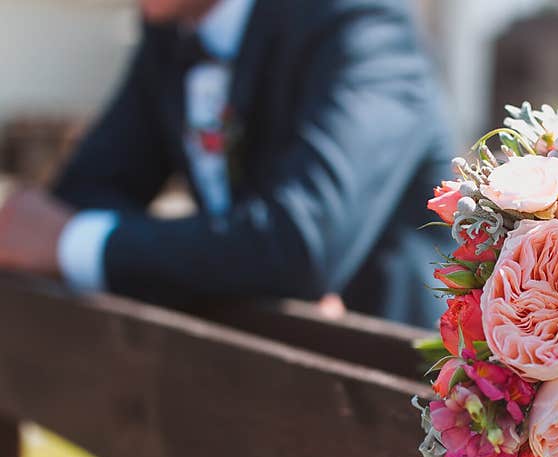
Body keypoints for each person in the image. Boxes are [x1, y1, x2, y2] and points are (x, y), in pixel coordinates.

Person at [0, 0, 452, 328]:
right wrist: (237, 264)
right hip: (253, 383)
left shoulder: (360, 20)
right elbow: (86, 192)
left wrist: (72, 244)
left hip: (397, 395)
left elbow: (300, 245)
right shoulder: (171, 34)